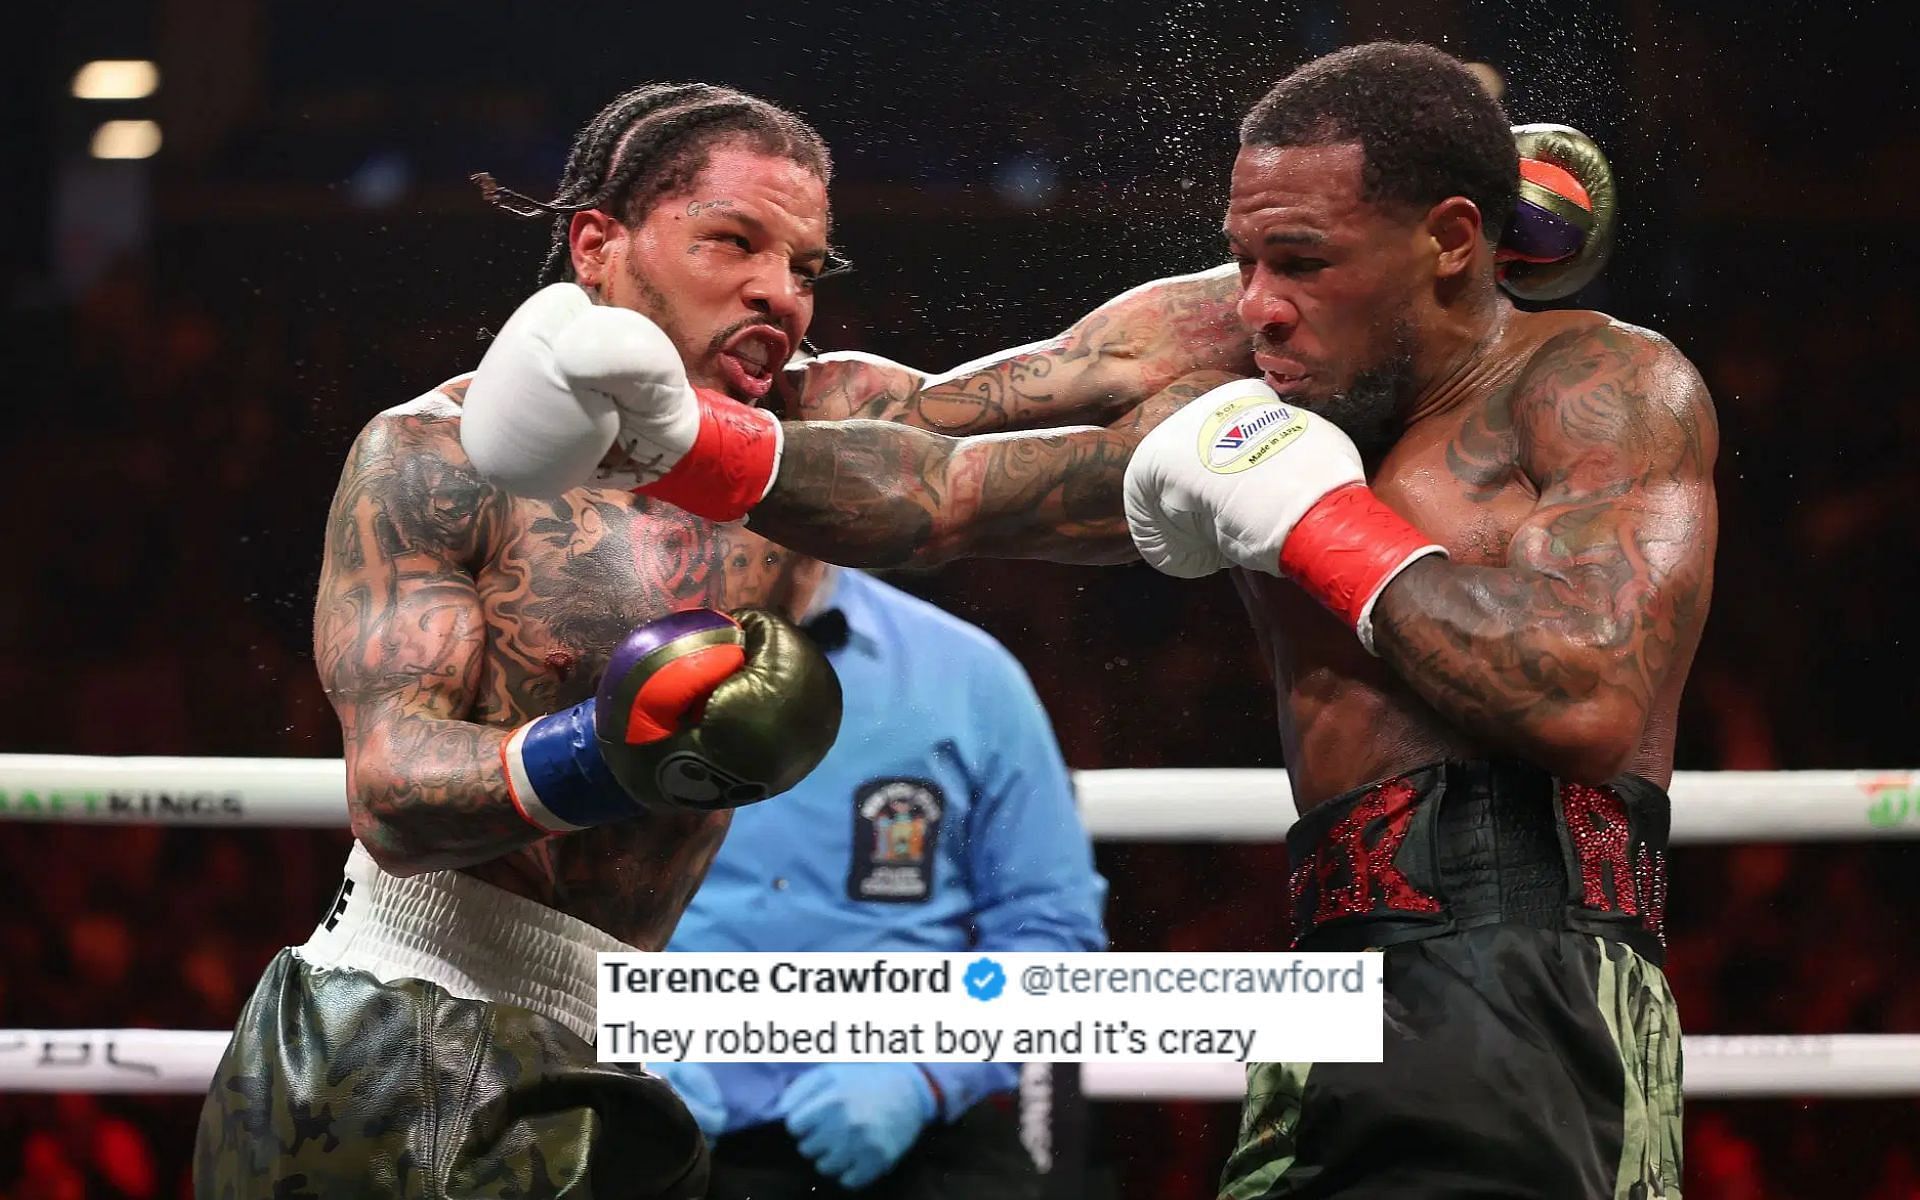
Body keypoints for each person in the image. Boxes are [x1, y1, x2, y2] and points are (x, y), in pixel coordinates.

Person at [463, 44, 1710, 1199]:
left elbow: (1585, 693)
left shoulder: (1595, 384)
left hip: (1537, 961)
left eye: (1303, 263)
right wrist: (679, 438)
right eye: (1245, 259)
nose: (1257, 303)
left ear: (1448, 239)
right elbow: (940, 473)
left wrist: (1317, 519)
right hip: (1337, 961)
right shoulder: (1254, 377)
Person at [190, 80, 1195, 1200]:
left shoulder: (802, 433)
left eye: (809, 266)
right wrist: (615, 750)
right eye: (734, 242)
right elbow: (392, 793)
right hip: (407, 1027)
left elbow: (1103, 378)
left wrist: (1291, 279)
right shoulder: (436, 455)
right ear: (597, 245)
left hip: (604, 1035)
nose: (781, 292)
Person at [651, 543, 1105, 1198]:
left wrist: (927, 1072)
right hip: (666, 1111)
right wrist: (617, 1047)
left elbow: (1050, 928)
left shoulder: (968, 674)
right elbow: (540, 891)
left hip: (919, 1132)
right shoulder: (620, 668)